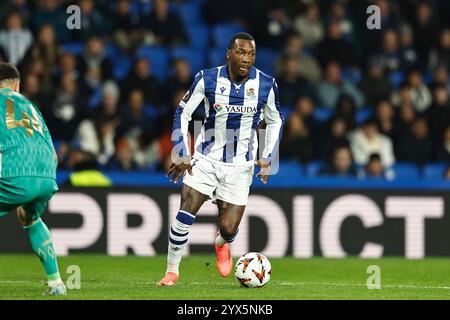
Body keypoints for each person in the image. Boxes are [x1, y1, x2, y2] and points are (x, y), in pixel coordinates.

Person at [157, 33, 284, 286]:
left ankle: (222, 243)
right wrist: (181, 150)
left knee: (228, 229)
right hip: (205, 159)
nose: (246, 59)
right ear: (229, 54)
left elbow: (275, 119)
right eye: (241, 53)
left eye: (251, 54)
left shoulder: (266, 84)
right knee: (186, 210)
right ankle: (172, 271)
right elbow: (183, 111)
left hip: (241, 166)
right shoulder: (207, 78)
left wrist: (268, 156)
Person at [0, 62, 65, 295]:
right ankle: (56, 282)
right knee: (29, 217)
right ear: (17, 85)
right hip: (47, 175)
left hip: (15, 172)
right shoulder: (31, 106)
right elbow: (54, 154)